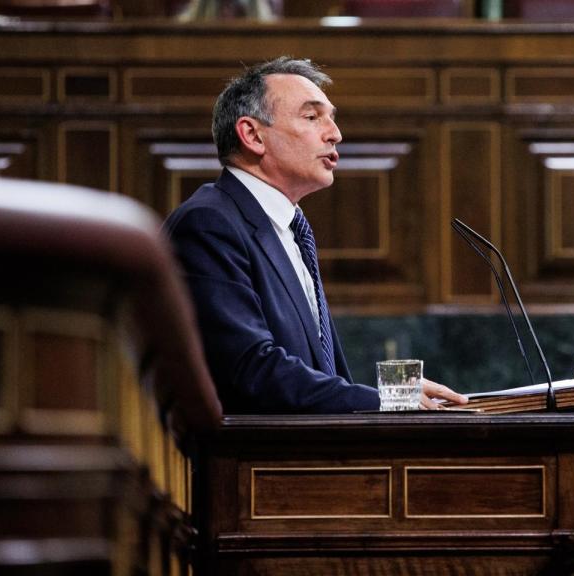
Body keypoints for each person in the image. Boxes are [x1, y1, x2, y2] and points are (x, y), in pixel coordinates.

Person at [165, 56, 468, 413]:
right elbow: (249, 371)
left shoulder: (288, 228)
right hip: (254, 464)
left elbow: (308, 371)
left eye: (332, 118)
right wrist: (381, 401)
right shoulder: (209, 225)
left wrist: (394, 397)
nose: (335, 133)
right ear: (252, 135)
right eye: (312, 117)